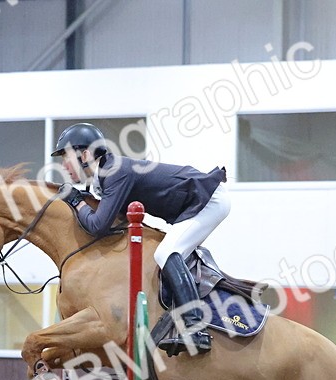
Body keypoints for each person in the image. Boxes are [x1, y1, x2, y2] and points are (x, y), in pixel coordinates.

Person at [51, 122, 229, 356]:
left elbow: (97, 226)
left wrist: (76, 202)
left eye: (66, 157)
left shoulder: (115, 172)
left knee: (166, 253)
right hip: (193, 205)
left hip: (208, 201)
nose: (64, 165)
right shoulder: (102, 178)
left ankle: (196, 329)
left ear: (85, 155)